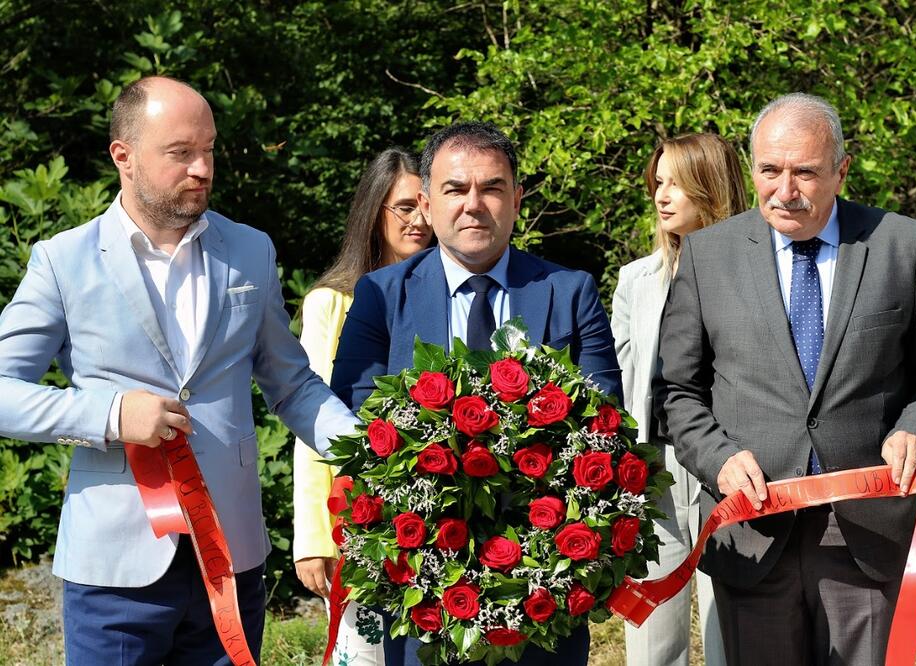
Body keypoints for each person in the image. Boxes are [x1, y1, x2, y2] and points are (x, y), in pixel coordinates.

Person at [0, 76, 358, 665]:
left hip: (233, 557)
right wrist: (112, 414)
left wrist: (373, 453)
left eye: (209, 149)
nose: (202, 168)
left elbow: (293, 384)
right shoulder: (61, 261)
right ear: (124, 156)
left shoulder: (250, 251)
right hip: (113, 569)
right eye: (180, 153)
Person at [655, 93, 916, 665]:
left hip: (866, 535)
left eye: (806, 172)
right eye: (769, 171)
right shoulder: (707, 256)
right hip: (750, 534)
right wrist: (718, 457)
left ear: (841, 170)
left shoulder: (899, 244)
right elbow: (677, 392)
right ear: (751, 170)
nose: (785, 190)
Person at [331, 120, 623, 666]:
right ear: (425, 201)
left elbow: (605, 425)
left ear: (516, 198)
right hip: (422, 578)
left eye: (491, 188)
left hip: (544, 585)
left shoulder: (570, 291)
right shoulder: (380, 296)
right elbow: (356, 420)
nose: (474, 205)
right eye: (455, 189)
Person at [293, 147, 433, 664]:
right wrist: (312, 537)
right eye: (403, 207)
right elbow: (310, 421)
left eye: (424, 204)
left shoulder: (456, 296)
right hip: (357, 516)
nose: (418, 220)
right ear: (374, 210)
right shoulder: (330, 302)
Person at [613, 133, 745, 666]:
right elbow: (622, 383)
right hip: (654, 468)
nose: (661, 196)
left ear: (709, 188)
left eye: (675, 183)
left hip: (733, 466)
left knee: (730, 627)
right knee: (650, 631)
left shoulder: (755, 276)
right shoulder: (635, 280)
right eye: (657, 183)